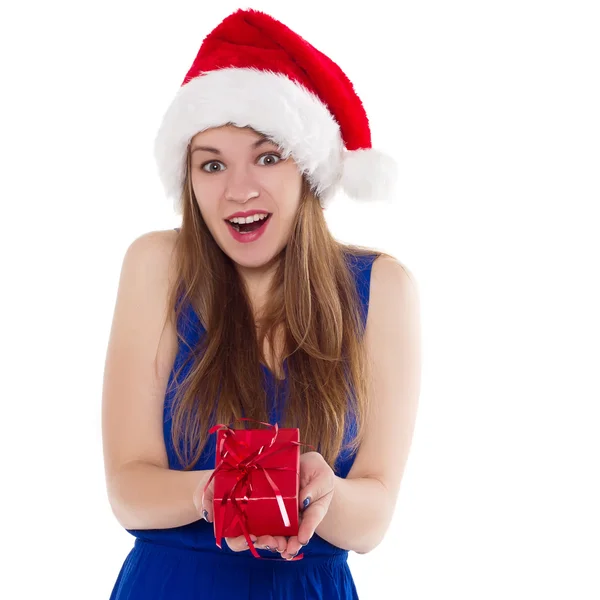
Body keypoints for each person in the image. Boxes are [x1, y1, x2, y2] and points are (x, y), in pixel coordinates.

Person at [102, 8, 421, 599]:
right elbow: (127, 488)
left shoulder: (384, 288)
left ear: (308, 169)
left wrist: (327, 495)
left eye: (267, 156)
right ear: (189, 178)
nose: (239, 189)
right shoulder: (156, 265)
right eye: (212, 163)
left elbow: (374, 517)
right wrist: (213, 492)